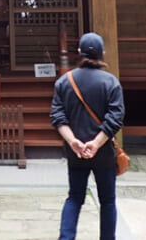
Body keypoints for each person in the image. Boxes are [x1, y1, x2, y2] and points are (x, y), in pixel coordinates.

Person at [50, 32, 125, 239]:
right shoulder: (111, 82)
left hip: (76, 153)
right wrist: (96, 143)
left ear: (79, 53)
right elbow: (115, 118)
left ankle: (66, 237)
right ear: (103, 53)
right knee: (108, 201)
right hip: (103, 153)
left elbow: (57, 116)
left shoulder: (65, 82)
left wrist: (73, 141)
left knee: (74, 198)